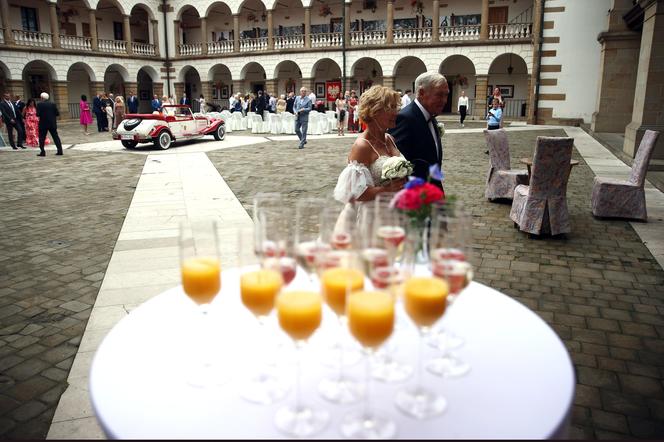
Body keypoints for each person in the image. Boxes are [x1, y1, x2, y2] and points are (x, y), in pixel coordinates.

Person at [333, 85, 408, 229]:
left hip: (394, 210)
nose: (396, 112)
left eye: (396, 107)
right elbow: (354, 194)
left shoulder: (389, 138)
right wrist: (387, 190)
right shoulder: (362, 146)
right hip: (371, 217)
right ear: (374, 112)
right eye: (390, 108)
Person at [389, 71, 448, 189]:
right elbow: (397, 165)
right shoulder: (405, 118)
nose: (444, 100)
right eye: (439, 95)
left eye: (446, 95)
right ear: (421, 92)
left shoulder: (431, 116)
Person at [36, 92, 63, 157]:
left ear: (42, 98)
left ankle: (42, 152)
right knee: (56, 137)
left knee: (42, 138)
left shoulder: (39, 104)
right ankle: (60, 151)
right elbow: (57, 113)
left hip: (43, 124)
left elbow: (37, 114)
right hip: (52, 123)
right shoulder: (53, 104)